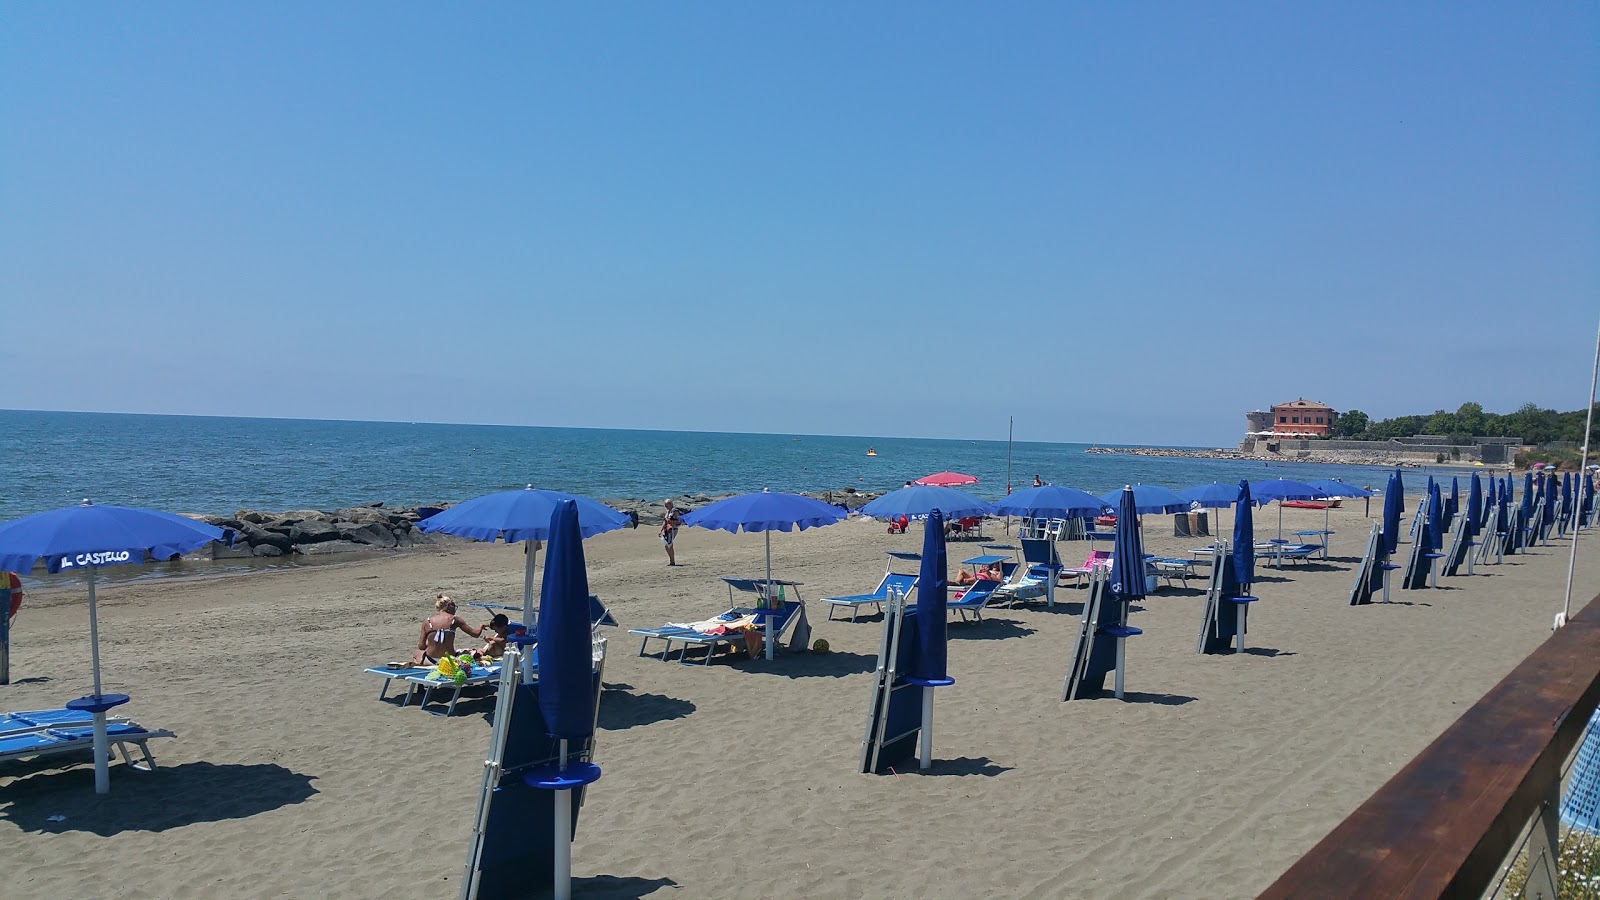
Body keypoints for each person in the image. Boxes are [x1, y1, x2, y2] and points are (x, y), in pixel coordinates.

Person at [408, 595, 485, 665]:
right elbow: (475, 634)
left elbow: (421, 646)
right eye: (454, 606)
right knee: (470, 652)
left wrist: (432, 642)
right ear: (448, 606)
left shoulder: (427, 621)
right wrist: (481, 626)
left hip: (430, 660)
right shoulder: (455, 619)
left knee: (416, 653)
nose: (455, 609)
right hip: (449, 660)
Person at [661, 499, 683, 566]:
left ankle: (672, 561)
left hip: (673, 529)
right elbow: (665, 521)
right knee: (667, 545)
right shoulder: (668, 511)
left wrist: (672, 523)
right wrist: (661, 530)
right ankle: (671, 560)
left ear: (670, 504)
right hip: (667, 529)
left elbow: (679, 521)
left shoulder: (675, 511)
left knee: (669, 544)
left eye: (666, 504)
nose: (665, 506)